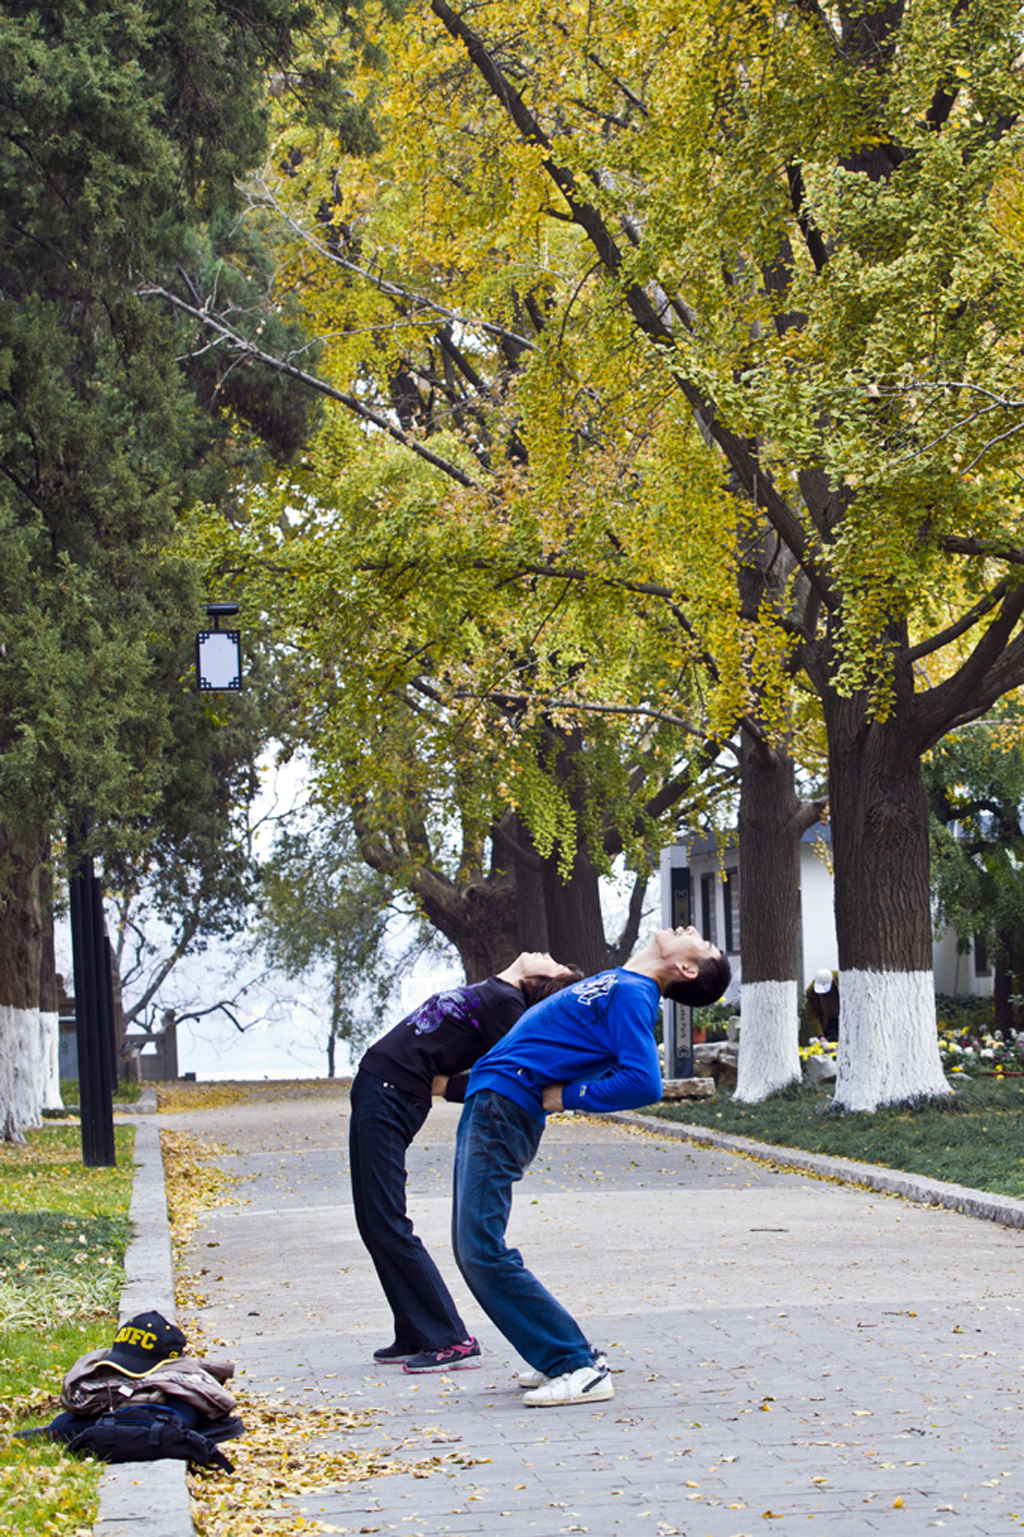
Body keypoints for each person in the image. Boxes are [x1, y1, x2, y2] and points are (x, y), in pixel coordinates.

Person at [450, 925, 730, 1407]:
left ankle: (576, 1364)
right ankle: (556, 1354)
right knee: (475, 1245)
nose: (693, 932)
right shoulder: (620, 981)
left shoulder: (635, 994)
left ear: (685, 969)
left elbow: (644, 1082)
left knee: (478, 1247)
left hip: (506, 1107)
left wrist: (566, 1096)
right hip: (493, 1099)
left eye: (704, 946)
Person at [349, 952, 582, 1375]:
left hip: (392, 1092)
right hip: (380, 1086)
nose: (548, 954)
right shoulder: (498, 990)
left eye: (555, 964)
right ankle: (416, 1329)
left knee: (385, 1218)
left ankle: (449, 1337)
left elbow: (514, 1072)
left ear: (539, 984)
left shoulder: (508, 1006)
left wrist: (449, 1087)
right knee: (372, 1219)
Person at [802, 967, 839, 1046]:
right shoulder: (812, 993)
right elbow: (812, 1016)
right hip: (828, 1022)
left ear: (832, 981)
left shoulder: (841, 980)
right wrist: (821, 1037)